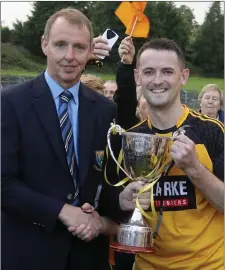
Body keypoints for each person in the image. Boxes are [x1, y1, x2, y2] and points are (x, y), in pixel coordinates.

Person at [1, 8, 151, 270]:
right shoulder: (10, 103)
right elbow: (4, 184)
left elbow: (104, 183)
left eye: (79, 47)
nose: (69, 56)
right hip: (28, 255)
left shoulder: (104, 110)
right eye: (61, 45)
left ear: (90, 50)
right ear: (45, 44)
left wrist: (121, 199)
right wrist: (61, 210)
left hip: (88, 257)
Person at [105, 38, 224, 270]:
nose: (157, 80)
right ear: (138, 77)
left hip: (208, 264)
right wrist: (121, 201)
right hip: (147, 265)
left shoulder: (211, 131)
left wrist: (195, 169)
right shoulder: (131, 138)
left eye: (167, 71)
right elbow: (113, 203)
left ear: (183, 76)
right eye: (149, 72)